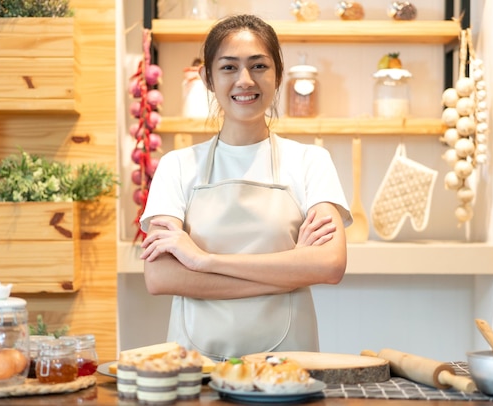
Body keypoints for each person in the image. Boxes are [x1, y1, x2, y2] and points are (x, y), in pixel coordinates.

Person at [139, 14, 352, 361]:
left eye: (259, 66)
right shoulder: (176, 167)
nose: (245, 80)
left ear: (277, 75)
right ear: (207, 78)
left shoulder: (311, 161)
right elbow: (160, 276)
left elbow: (329, 264)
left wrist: (202, 260)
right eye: (228, 67)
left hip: (288, 365)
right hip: (197, 366)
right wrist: (291, 270)